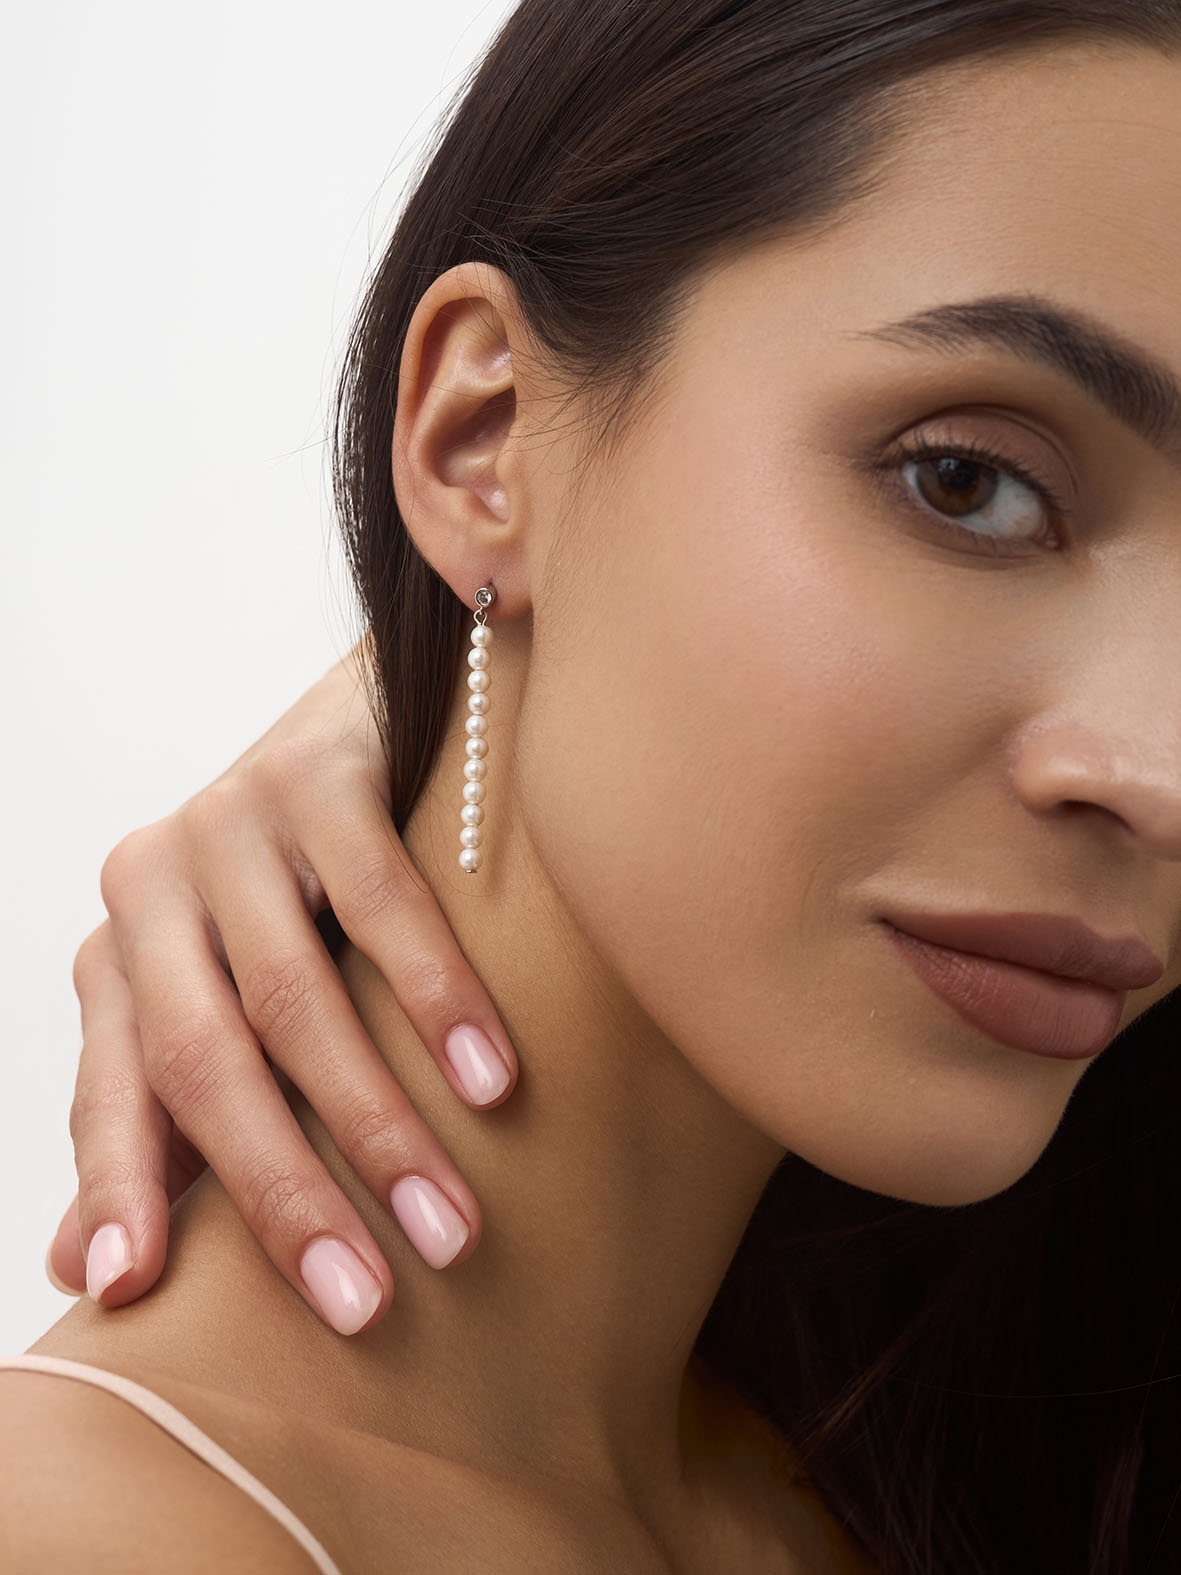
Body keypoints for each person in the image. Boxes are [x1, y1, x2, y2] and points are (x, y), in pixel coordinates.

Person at [5, 1, 1181, 1569]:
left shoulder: (957, 1441)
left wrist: (418, 660)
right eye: (965, 483)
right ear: (479, 431)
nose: (1161, 781)